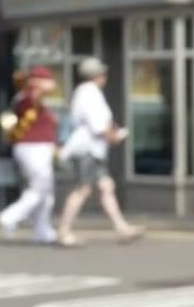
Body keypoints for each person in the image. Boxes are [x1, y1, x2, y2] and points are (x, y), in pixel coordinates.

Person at [57, 57, 143, 246]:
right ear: (98, 76)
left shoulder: (84, 92)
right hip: (88, 150)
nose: (105, 77)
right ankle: (64, 231)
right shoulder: (90, 94)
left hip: (94, 150)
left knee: (106, 187)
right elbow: (98, 127)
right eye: (103, 74)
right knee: (83, 190)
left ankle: (121, 228)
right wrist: (115, 136)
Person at [0, 67, 59, 244]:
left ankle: (43, 230)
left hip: (40, 148)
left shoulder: (32, 99)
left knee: (46, 194)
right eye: (45, 79)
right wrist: (42, 86)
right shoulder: (27, 97)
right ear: (37, 81)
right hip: (33, 148)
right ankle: (10, 216)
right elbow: (36, 97)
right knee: (40, 187)